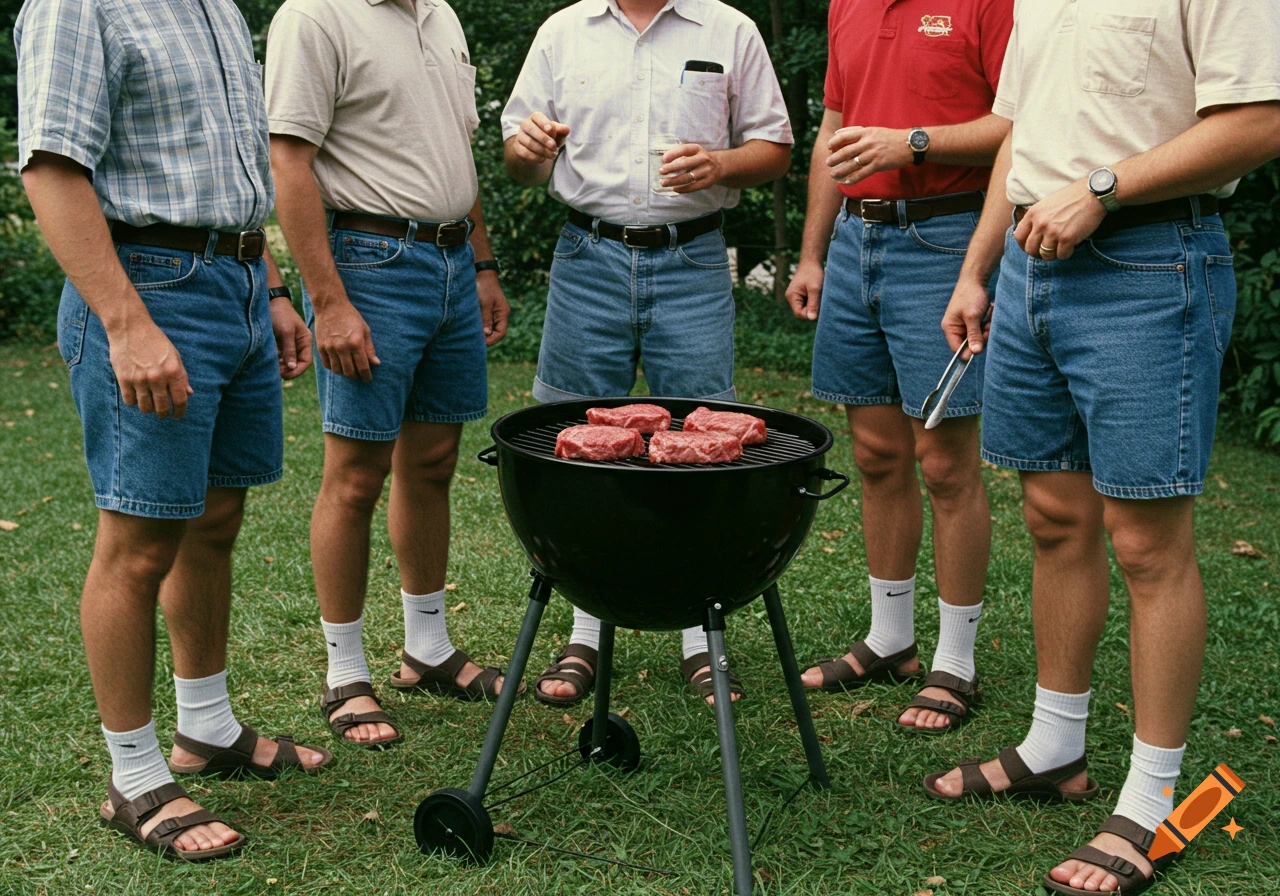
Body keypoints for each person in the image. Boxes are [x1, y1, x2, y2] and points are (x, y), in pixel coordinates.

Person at [925, 1, 1280, 892]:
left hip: (1151, 266)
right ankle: (1054, 748)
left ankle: (1151, 800)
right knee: (1051, 516)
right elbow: (1022, 138)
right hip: (1030, 266)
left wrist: (1104, 187)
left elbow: (1261, 120)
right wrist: (979, 268)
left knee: (1146, 543)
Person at [16, 0, 329, 861]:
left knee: (215, 522)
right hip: (148, 285)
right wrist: (125, 323)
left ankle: (208, 729)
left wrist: (267, 288)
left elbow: (229, 171)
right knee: (140, 539)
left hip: (233, 283)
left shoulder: (217, 7)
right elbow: (49, 168)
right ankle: (135, 776)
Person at [501, 0, 792, 706]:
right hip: (586, 257)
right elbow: (516, 162)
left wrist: (723, 161)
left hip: (691, 261)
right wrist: (529, 150)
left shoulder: (729, 28)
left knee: (705, 445)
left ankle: (701, 633)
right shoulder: (564, 32)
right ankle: (585, 629)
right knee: (572, 447)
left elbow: (776, 148)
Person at [266, 0, 514, 750]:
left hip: (449, 260)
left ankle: (427, 648)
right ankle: (346, 674)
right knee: (356, 472)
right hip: (370, 265)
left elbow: (454, 156)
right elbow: (289, 161)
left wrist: (482, 262)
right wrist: (331, 300)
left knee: (433, 463)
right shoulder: (313, 15)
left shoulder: (439, 14)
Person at [785, 0, 1012, 732]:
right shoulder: (846, 4)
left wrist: (910, 144)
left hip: (946, 241)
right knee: (877, 455)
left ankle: (956, 663)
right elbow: (834, 131)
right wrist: (814, 254)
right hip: (856, 244)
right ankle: (891, 641)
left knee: (946, 464)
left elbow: (1018, 128)